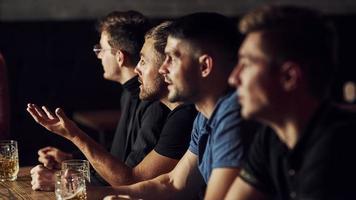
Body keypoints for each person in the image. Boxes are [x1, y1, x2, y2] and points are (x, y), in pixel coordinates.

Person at [28, 12, 196, 191]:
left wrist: (67, 178)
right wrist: (71, 158)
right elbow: (130, 166)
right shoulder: (137, 96)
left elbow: (129, 178)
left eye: (144, 61)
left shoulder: (164, 108)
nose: (138, 68)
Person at [104, 12, 257, 200]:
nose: (163, 68)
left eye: (173, 58)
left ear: (204, 66)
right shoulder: (203, 117)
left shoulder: (232, 113)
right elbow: (173, 183)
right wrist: (96, 194)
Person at [226, 5, 356, 200]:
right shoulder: (272, 136)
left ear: (289, 77)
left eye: (247, 63)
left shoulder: (338, 149)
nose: (234, 78)